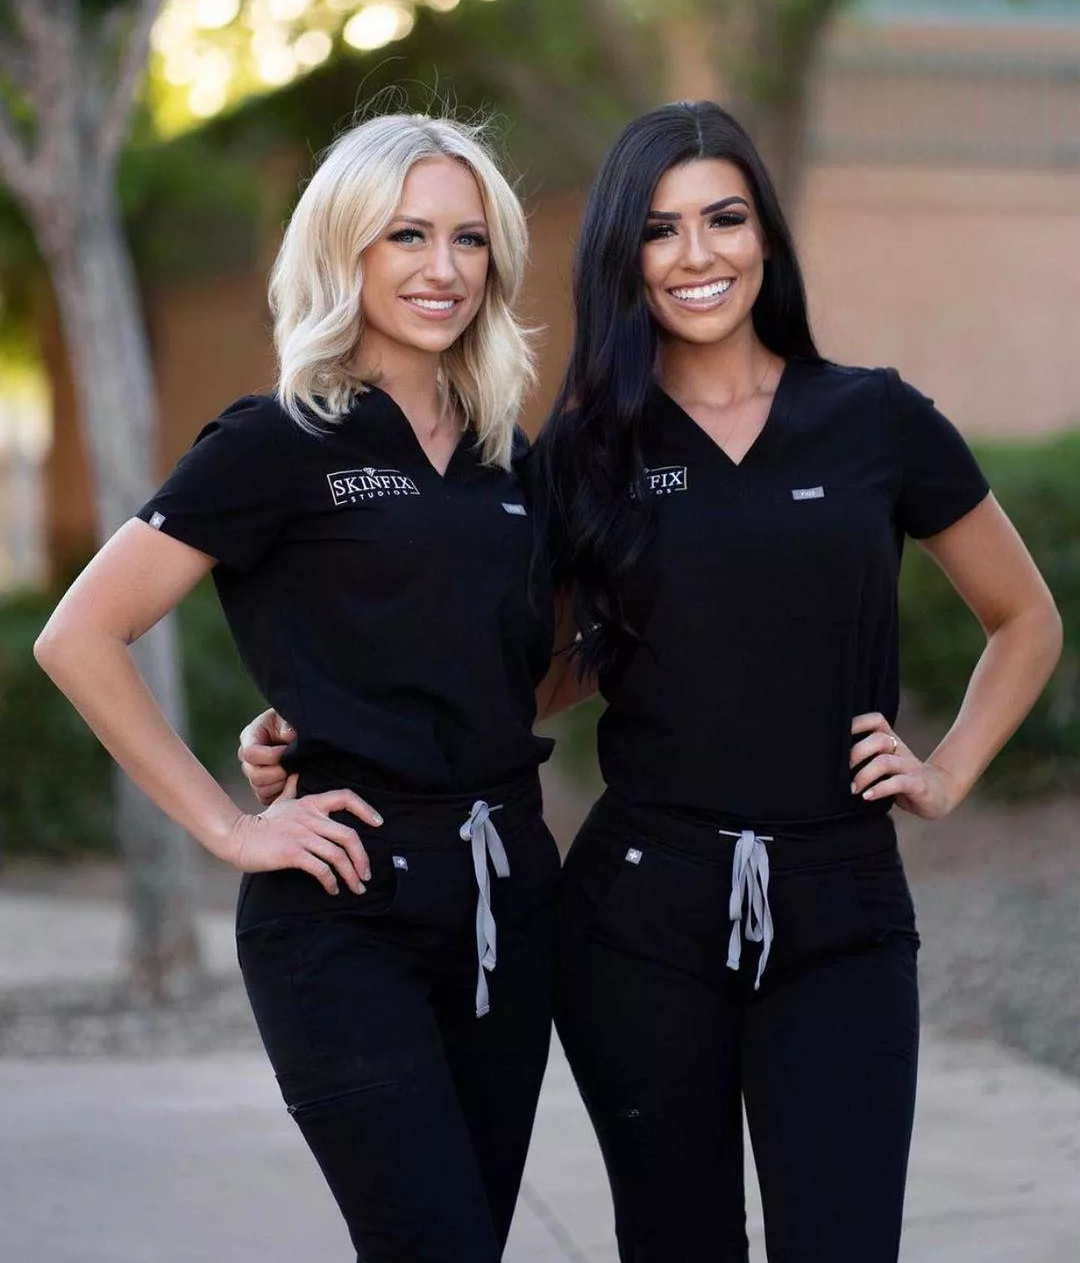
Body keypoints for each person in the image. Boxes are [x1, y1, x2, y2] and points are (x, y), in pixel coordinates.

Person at [239, 102, 1063, 1263]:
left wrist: (947, 768)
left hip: (843, 909)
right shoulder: (583, 450)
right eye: (661, 229)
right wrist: (333, 723)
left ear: (766, 238)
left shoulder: (876, 419)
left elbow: (1023, 616)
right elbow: (548, 665)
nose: (697, 254)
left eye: (724, 219)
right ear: (624, 255)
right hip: (639, 922)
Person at [34, 113, 562, 1263]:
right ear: (345, 249)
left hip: (507, 899)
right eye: (405, 235)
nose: (441, 269)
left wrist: (331, 694)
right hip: (343, 910)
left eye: (469, 240)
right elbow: (79, 636)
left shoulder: (511, 457)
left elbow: (528, 674)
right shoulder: (275, 439)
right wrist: (228, 824)